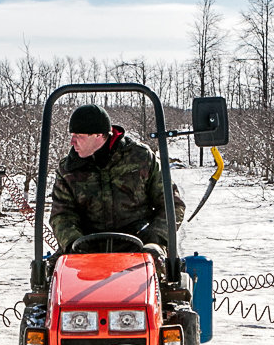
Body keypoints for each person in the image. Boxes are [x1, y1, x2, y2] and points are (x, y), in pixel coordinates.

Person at [50, 103, 185, 255]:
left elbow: (172, 205)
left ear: (98, 135)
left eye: (78, 136)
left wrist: (155, 237)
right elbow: (62, 215)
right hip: (87, 247)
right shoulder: (68, 170)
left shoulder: (141, 158)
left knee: (158, 264)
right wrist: (73, 242)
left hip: (140, 245)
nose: (72, 142)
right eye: (72, 135)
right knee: (56, 272)